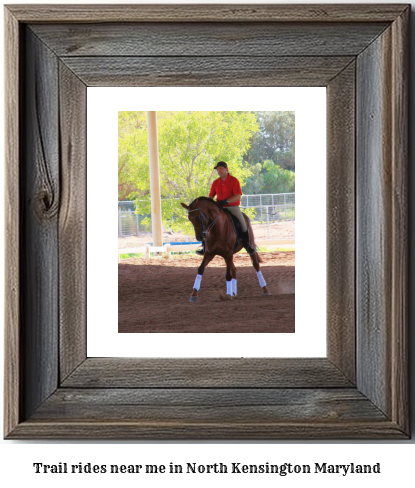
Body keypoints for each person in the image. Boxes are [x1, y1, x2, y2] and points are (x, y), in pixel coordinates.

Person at [196, 161, 256, 256]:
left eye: (221, 168)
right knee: (206, 222)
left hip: (232, 207)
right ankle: (204, 246)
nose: (219, 171)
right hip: (220, 208)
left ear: (226, 169)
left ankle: (247, 245)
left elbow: (237, 196)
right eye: (217, 169)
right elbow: (211, 197)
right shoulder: (215, 183)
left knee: (243, 223)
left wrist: (226, 201)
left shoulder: (234, 181)